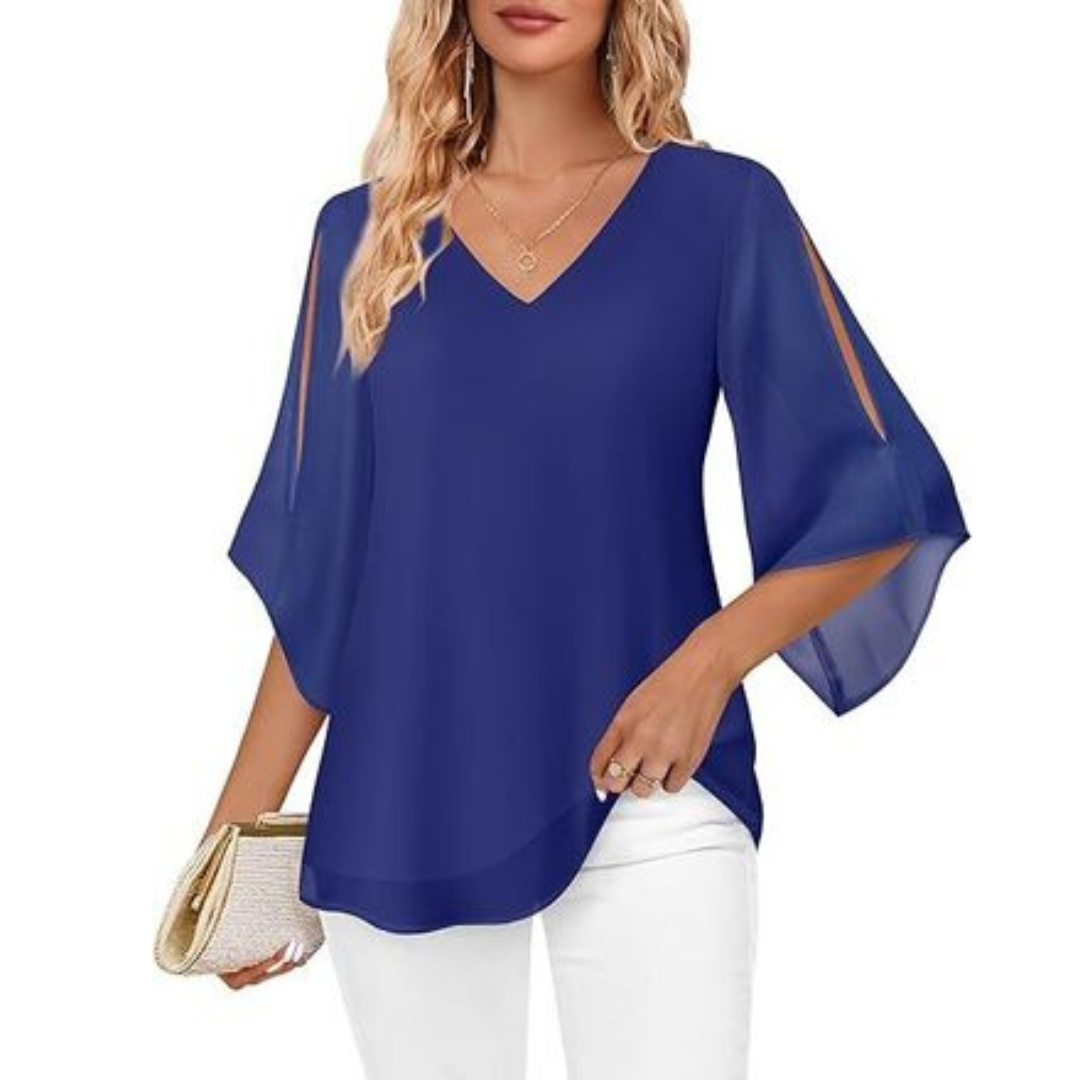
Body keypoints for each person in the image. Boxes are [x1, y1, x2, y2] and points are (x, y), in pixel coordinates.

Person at [200, 1, 970, 1077]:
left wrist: (708, 667)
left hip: (652, 778)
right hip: (407, 784)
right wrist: (235, 835)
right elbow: (328, 563)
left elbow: (879, 486)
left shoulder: (721, 210)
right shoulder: (361, 237)